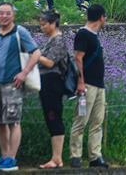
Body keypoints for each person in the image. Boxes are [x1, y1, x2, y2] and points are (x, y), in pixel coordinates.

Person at [0, 2, 40, 173]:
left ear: (13, 15)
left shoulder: (19, 32)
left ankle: (12, 158)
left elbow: (36, 52)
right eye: (1, 13)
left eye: (7, 13)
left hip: (13, 83)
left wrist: (24, 73)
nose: (4, 16)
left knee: (13, 121)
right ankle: (4, 156)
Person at [69, 4, 109, 169]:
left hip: (99, 85)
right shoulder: (83, 34)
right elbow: (78, 58)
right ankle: (75, 156)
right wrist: (80, 82)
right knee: (81, 120)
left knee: (97, 121)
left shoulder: (94, 35)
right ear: (101, 17)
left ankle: (95, 156)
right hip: (87, 86)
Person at [37, 11, 70, 170]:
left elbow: (50, 62)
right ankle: (55, 157)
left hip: (53, 83)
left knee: (54, 116)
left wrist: (34, 55)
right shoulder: (51, 40)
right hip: (46, 83)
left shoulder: (58, 40)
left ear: (53, 23)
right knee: (50, 117)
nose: (42, 27)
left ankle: (57, 158)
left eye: (44, 24)